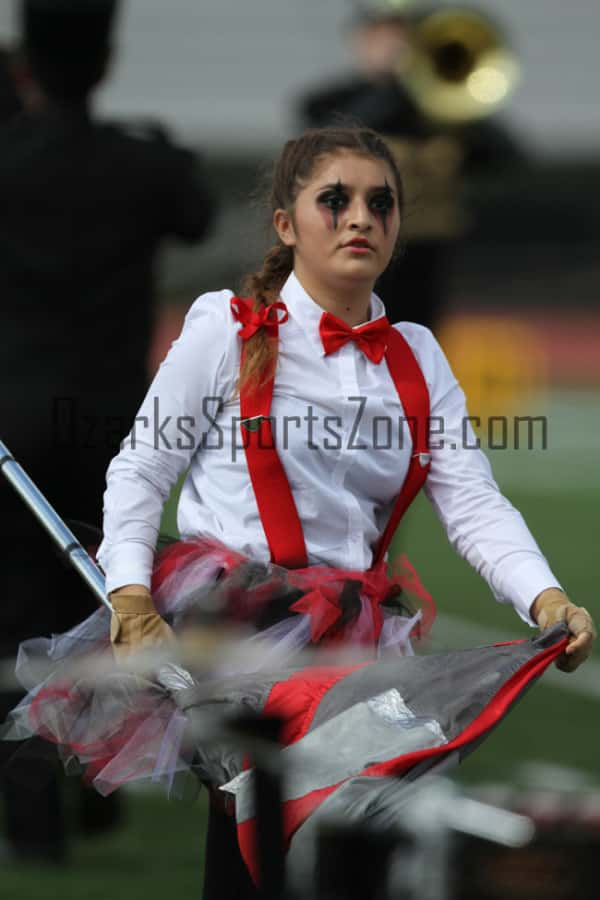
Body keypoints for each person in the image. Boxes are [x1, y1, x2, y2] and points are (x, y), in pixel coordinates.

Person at [2, 127, 594, 897]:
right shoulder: (227, 328)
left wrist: (544, 596)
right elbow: (142, 467)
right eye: (335, 201)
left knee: (349, 855)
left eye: (381, 203)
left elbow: (472, 499)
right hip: (241, 626)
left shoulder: (417, 353)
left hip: (358, 639)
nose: (360, 219)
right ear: (287, 223)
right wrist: (129, 592)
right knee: (254, 847)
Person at [0, 0, 215, 861]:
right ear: (108, 59)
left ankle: (34, 819)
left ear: (26, 67)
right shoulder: (142, 163)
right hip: (112, 424)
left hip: (12, 422)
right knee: (107, 607)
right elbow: (196, 213)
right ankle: (94, 780)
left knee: (14, 611)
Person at [297, 0, 528, 332]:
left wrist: (439, 99)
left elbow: (505, 154)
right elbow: (335, 136)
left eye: (403, 35)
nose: (394, 46)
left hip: (426, 256)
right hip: (351, 255)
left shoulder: (441, 109)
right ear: (361, 39)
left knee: (419, 355)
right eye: (382, 35)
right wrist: (397, 89)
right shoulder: (329, 101)